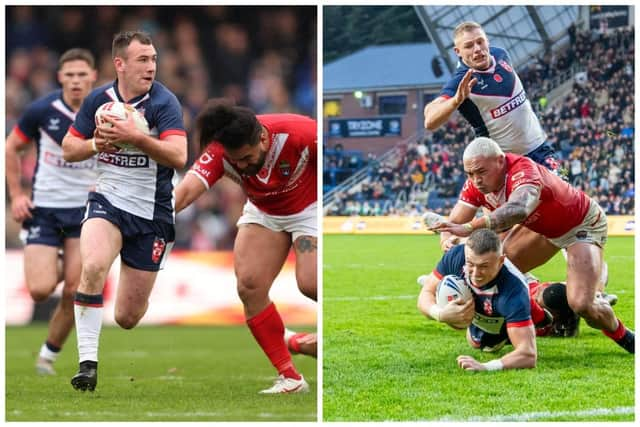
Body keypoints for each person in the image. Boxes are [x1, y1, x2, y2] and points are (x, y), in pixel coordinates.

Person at [61, 30, 187, 391]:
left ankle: (136, 292)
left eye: (154, 59)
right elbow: (70, 148)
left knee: (128, 316)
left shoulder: (164, 103)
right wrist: (95, 144)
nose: (151, 67)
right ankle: (87, 367)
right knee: (94, 266)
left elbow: (179, 156)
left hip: (152, 214)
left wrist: (136, 137)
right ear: (120, 64)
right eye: (143, 60)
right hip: (108, 199)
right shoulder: (98, 101)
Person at [431, 137, 634, 353]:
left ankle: (627, 337)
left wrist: (470, 228)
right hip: (542, 229)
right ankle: (533, 319)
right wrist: (448, 239)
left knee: (583, 304)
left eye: (481, 172)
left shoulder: (523, 169)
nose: (476, 180)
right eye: (470, 174)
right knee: (495, 266)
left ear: (500, 161)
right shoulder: (476, 183)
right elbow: (454, 222)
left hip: (579, 226)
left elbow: (518, 210)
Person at [174, 98, 317, 394]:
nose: (241, 166)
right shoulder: (220, 150)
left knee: (311, 284)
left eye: (247, 158)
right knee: (249, 286)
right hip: (264, 213)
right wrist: (153, 218)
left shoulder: (301, 133)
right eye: (235, 161)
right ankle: (290, 377)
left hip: (311, 210)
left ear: (263, 138)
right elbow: (187, 190)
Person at [5, 48, 98, 375]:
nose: (75, 81)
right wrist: (16, 195)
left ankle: (48, 353)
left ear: (93, 77)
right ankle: (59, 262)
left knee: (76, 290)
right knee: (40, 289)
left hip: (87, 211)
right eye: (69, 75)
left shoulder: (106, 110)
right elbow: (11, 147)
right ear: (60, 78)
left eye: (81, 75)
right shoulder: (42, 110)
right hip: (45, 209)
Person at [417, 229, 537, 371]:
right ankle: (442, 286)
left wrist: (485, 367)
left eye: (484, 266)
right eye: (471, 264)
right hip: (485, 302)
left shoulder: (514, 290)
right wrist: (440, 314)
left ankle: (537, 306)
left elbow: (528, 355)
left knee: (482, 343)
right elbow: (425, 293)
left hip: (502, 313)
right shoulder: (457, 255)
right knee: (470, 336)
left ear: (500, 261)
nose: (475, 273)